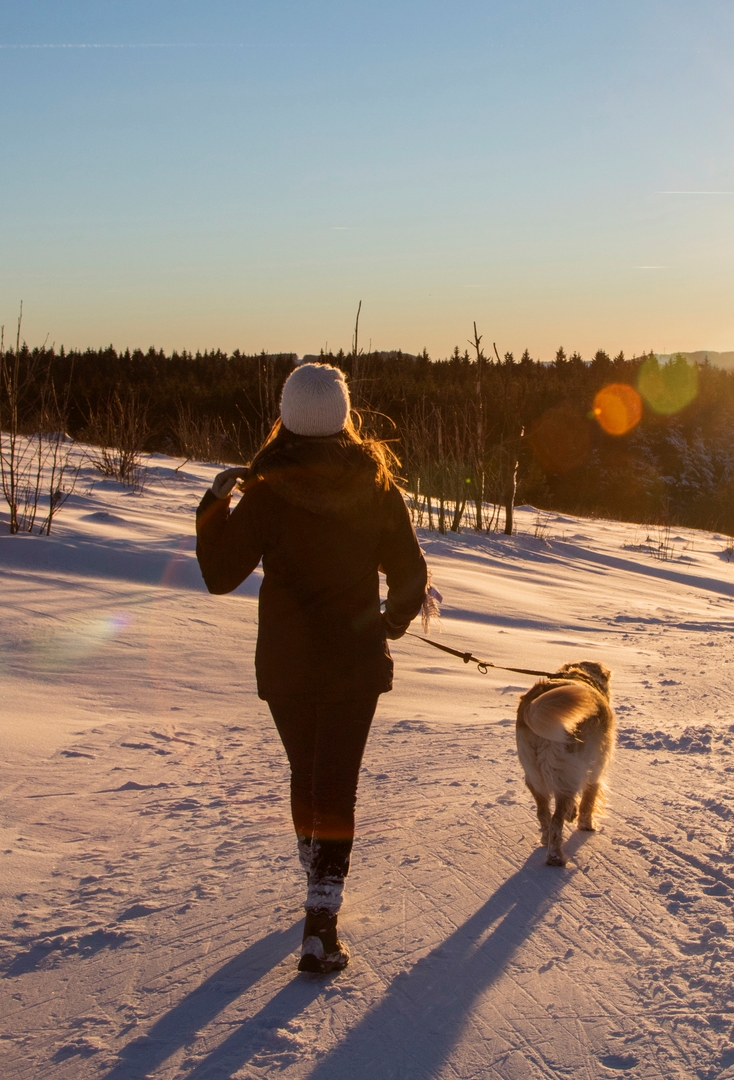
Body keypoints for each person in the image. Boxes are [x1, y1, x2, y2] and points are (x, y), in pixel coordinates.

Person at [195, 361, 428, 975]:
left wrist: (213, 505)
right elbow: (411, 580)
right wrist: (389, 625)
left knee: (309, 773)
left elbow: (219, 576)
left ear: (288, 415)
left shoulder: (266, 489)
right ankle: (321, 915)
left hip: (286, 661)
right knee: (335, 781)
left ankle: (317, 880)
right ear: (344, 417)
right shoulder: (376, 485)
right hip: (353, 660)